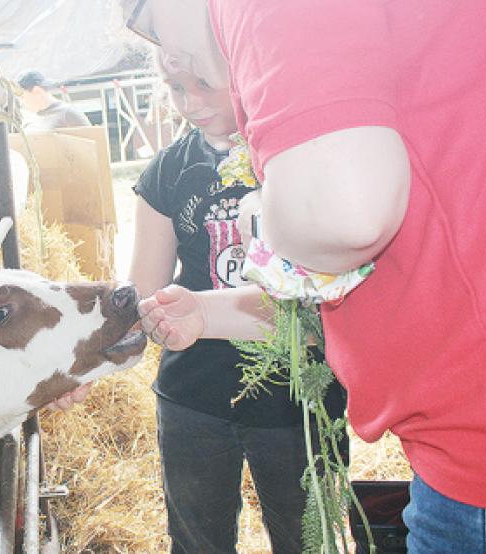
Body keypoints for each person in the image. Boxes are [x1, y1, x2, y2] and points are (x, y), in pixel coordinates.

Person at [126, 0, 486, 550]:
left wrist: (259, 214)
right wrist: (204, 312)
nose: (170, 57)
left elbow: (346, 213)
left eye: (150, 25)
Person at [129, 49, 346, 554]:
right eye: (176, 88)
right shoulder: (167, 171)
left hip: (298, 395)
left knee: (309, 540)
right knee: (198, 541)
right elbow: (142, 292)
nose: (191, 103)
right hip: (194, 395)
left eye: (205, 83)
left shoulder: (296, 156)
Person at [15, 70, 91, 131]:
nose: (21, 102)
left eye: (22, 97)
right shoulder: (28, 116)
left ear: (37, 91)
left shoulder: (68, 114)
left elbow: (94, 145)